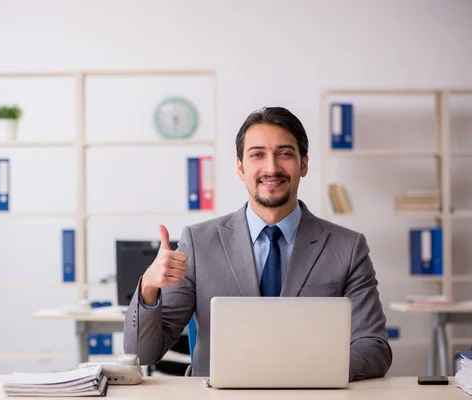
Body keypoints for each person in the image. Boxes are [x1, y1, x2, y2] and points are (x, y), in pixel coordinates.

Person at [123, 106, 392, 381]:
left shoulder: (348, 247)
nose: (272, 167)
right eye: (257, 155)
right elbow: (142, 353)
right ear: (241, 167)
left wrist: (307, 373)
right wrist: (148, 287)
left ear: (304, 164)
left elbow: (374, 348)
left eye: (285, 154)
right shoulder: (198, 243)